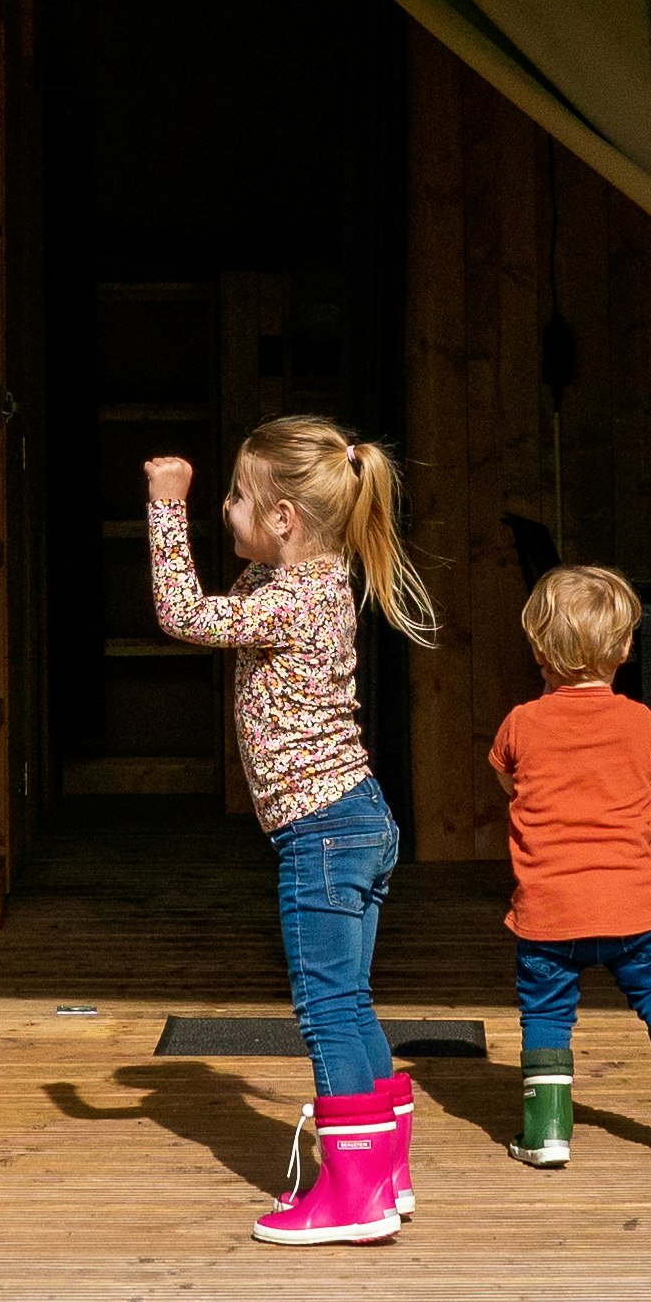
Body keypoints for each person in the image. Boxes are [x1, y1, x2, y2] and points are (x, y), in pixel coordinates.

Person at [146, 412, 441, 1246]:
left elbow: (182, 615)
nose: (225, 509)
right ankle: (384, 1174)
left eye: (238, 498)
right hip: (354, 819)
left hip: (322, 831)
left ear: (284, 519)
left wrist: (168, 509)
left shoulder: (291, 600)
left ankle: (353, 1200)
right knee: (351, 1004)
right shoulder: (310, 581)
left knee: (326, 1009)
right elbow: (229, 600)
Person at [486, 565, 651, 1169]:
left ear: (537, 650)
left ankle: (547, 1131)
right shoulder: (640, 722)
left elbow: (507, 779)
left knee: (547, 1013)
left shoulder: (522, 723)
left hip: (549, 911)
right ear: (626, 647)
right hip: (633, 906)